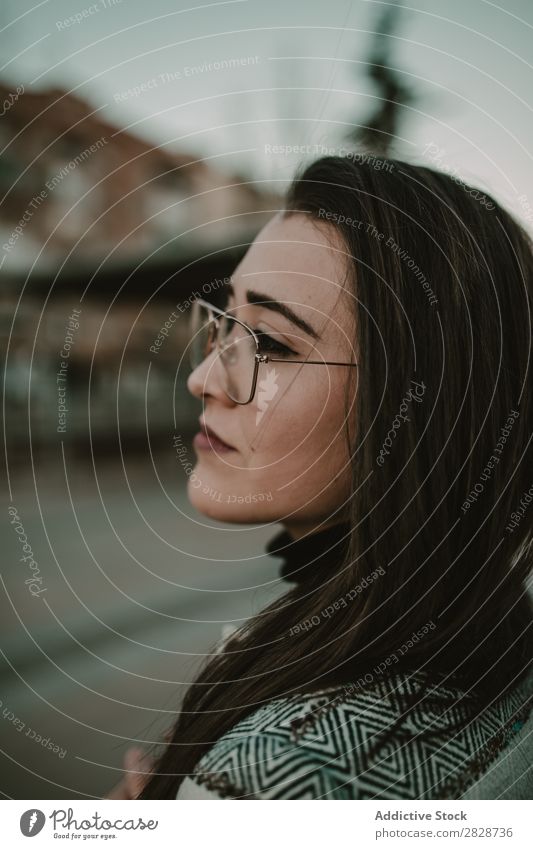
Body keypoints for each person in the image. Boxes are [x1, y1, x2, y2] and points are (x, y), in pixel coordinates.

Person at [106, 154, 533, 800]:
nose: (203, 378)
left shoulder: (281, 776)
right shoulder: (501, 640)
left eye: (271, 344)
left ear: (421, 406)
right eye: (223, 323)